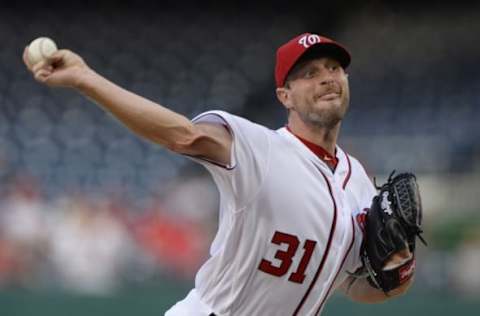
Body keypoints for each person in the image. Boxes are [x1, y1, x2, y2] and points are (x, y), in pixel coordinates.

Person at [23, 32, 414, 315]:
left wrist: (399, 273)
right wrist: (85, 79)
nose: (327, 77)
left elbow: (352, 285)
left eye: (334, 68)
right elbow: (184, 135)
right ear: (284, 96)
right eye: (310, 73)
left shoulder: (359, 182)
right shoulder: (258, 147)